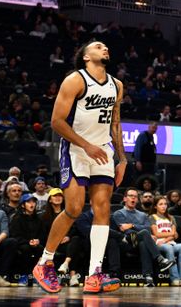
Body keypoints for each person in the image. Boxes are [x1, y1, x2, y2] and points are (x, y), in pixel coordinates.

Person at [33, 40, 127, 295]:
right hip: (76, 148)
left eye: (107, 46)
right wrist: (86, 145)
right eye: (98, 46)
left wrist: (122, 159)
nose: (105, 48)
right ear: (86, 56)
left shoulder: (117, 85)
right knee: (74, 208)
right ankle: (44, 262)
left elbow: (115, 123)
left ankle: (94, 274)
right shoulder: (75, 80)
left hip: (103, 150)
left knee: (103, 209)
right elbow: (56, 122)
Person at [112, 187, 175, 286]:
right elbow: (125, 230)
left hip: (141, 241)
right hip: (127, 242)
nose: (133, 198)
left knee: (143, 243)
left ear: (138, 200)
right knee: (144, 234)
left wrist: (132, 225)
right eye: (130, 196)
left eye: (135, 197)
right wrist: (139, 229)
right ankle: (160, 259)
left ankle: (148, 278)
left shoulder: (143, 215)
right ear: (124, 199)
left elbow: (147, 228)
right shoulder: (118, 213)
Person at [149, 196, 181, 286]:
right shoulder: (152, 217)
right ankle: (174, 278)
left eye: (165, 204)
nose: (163, 206)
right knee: (169, 248)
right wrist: (171, 234)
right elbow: (157, 234)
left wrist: (166, 239)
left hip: (169, 242)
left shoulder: (171, 218)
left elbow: (175, 234)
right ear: (155, 206)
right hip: (159, 244)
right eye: (161, 204)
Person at [9, 193, 45, 270]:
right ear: (23, 205)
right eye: (28, 202)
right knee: (26, 248)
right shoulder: (17, 218)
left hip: (36, 244)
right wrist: (28, 242)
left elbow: (43, 234)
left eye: (33, 202)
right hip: (23, 243)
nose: (32, 204)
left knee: (41, 248)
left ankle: (39, 274)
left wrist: (38, 240)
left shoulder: (39, 219)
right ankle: (24, 275)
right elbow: (15, 235)